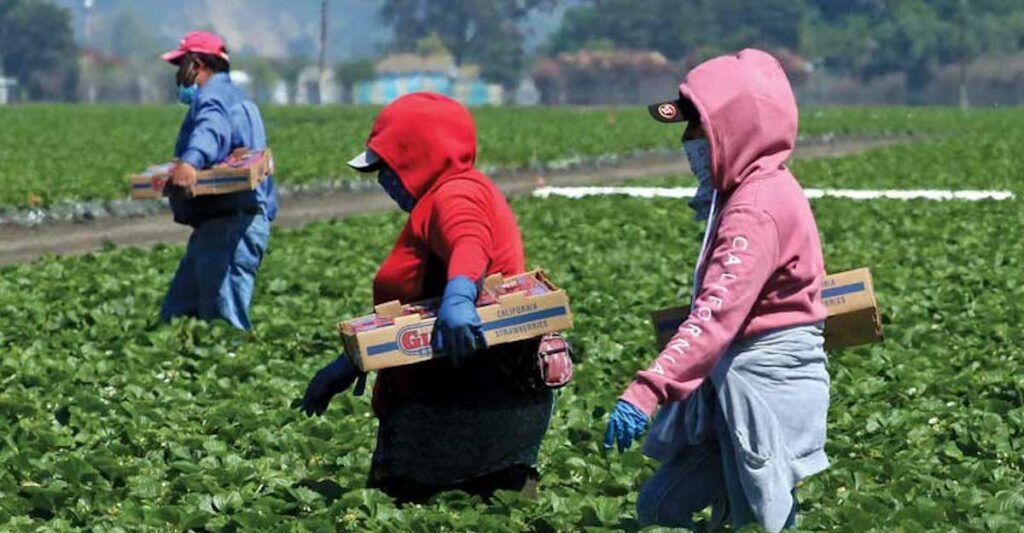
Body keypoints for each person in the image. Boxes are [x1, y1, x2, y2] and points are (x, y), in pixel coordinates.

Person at [604, 49, 831, 532]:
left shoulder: (754, 209)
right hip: (731, 378)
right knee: (660, 507)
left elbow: (716, 316)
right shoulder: (748, 190)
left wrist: (646, 391)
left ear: (734, 127)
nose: (688, 141)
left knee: (757, 520)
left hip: (762, 382)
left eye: (697, 127)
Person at [299, 92, 554, 501]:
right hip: (476, 398)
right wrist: (352, 360)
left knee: (420, 508)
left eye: (387, 167)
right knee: (493, 508)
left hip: (460, 402)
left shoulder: (455, 195)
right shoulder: (453, 192)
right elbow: (415, 305)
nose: (384, 180)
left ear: (417, 155)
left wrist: (459, 298)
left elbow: (469, 244)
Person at [158, 31, 278, 331]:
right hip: (217, 224)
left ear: (197, 64)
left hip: (232, 224)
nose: (178, 76)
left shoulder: (213, 97)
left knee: (223, 323)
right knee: (179, 313)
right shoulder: (235, 96)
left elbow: (212, 130)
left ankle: (233, 359)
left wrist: (190, 162)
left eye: (181, 66)